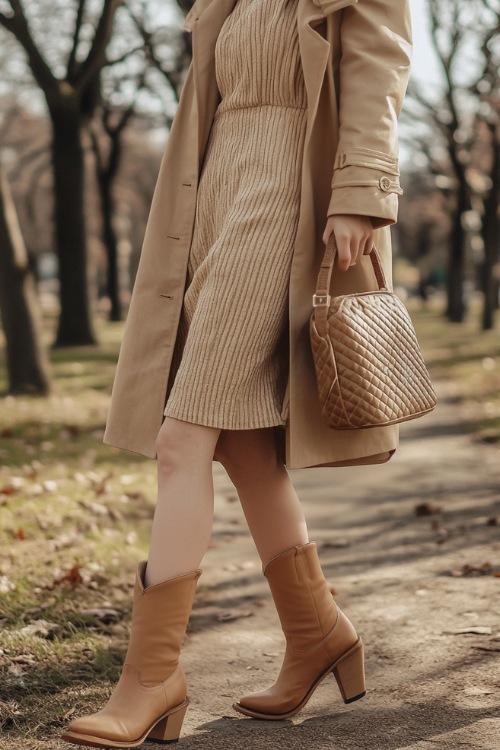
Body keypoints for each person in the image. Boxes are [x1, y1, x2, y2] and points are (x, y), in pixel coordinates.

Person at [62, 0, 411, 746]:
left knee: (181, 439)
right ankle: (317, 632)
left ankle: (152, 677)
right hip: (212, 196)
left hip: (289, 196)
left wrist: (362, 195)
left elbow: (380, 70)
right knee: (239, 442)